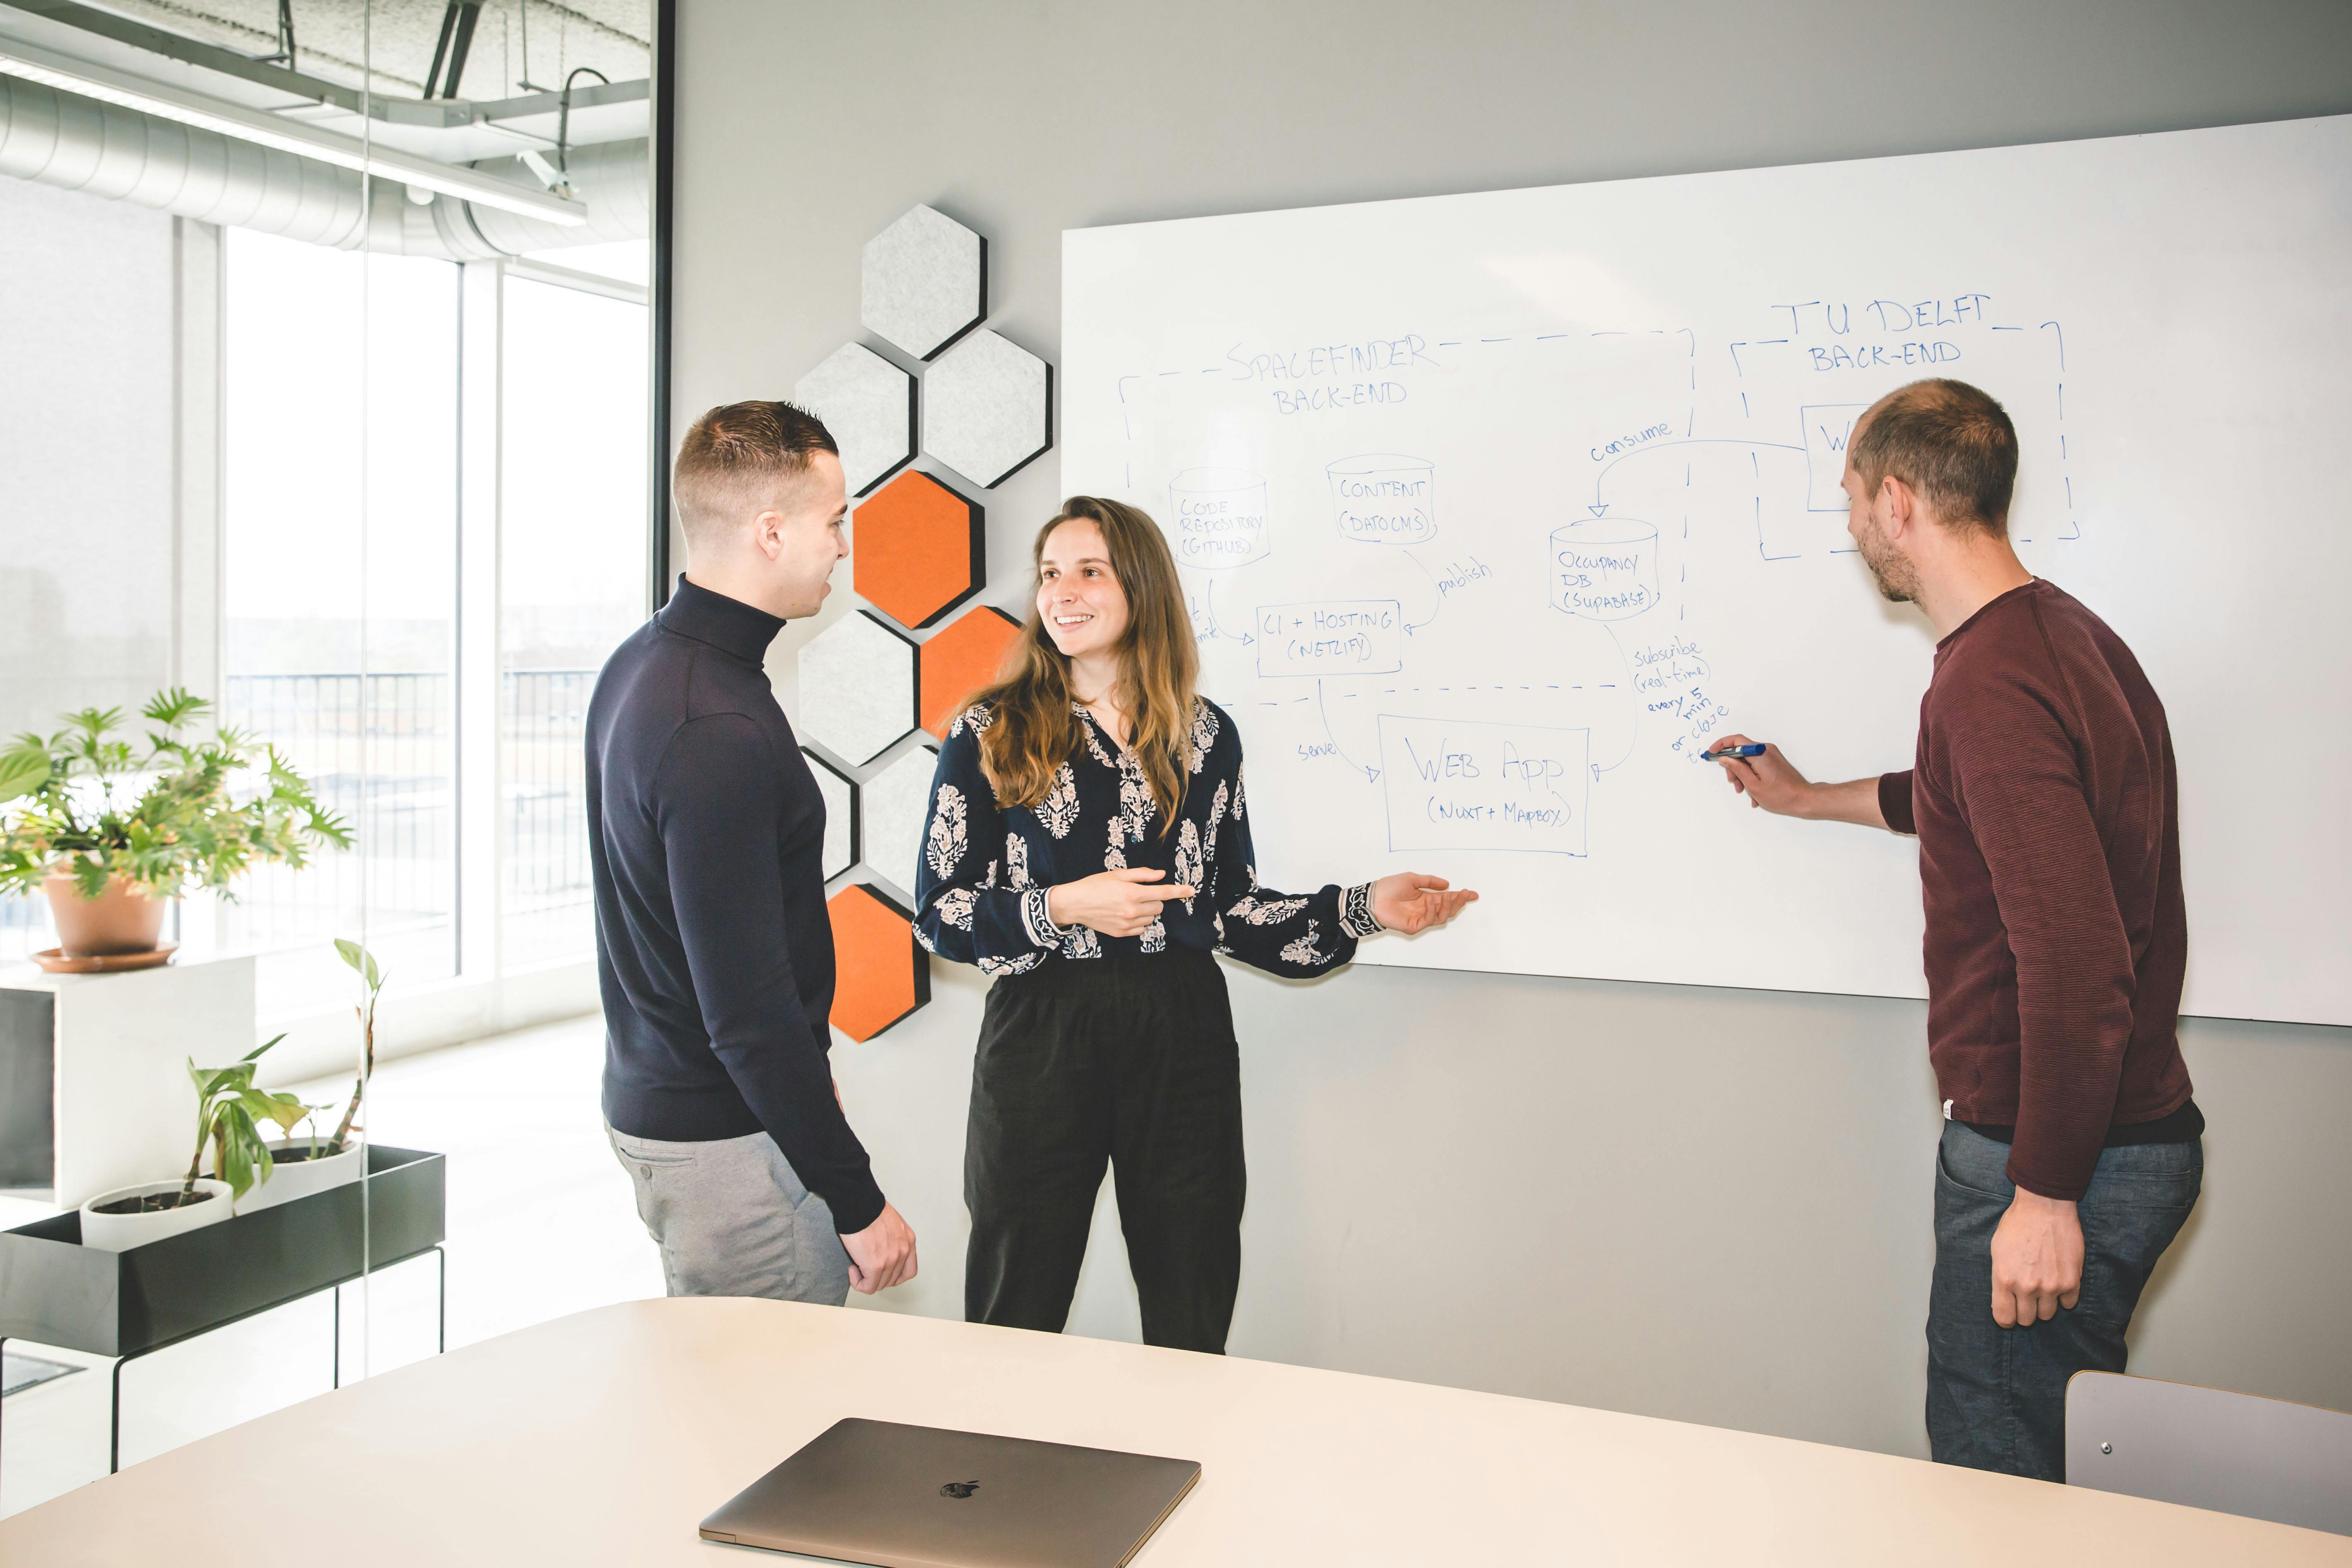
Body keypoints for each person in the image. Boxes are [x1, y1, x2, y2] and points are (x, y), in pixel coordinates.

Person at [1707, 378, 2201, 1482]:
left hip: (2056, 1152)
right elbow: (1963, 800)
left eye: (1846, 499)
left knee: (1998, 1481)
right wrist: (1804, 797)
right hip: (2102, 1138)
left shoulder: (1988, 681)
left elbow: (2075, 971)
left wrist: (2042, 1192)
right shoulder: (2060, 641)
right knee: (2035, 1468)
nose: (1846, 527)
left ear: (1895, 501)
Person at [912, 496, 1477, 1355]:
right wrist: (1065, 905)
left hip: (1181, 1026)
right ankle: (991, 1482)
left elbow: (1231, 908)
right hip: (1041, 1030)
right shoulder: (990, 730)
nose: (1062, 592)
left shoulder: (1206, 736)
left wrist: (1367, 906)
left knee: (1192, 1290)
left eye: (1089, 571)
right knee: (1015, 1301)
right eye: (1050, 573)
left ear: (1140, 586)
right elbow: (941, 915)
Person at [588, 400, 917, 1305]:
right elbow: (746, 1008)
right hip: (728, 1149)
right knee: (777, 1426)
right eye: (834, 520)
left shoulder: (640, 664)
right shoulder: (715, 725)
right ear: (771, 532)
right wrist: (857, 1198)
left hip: (678, 1105)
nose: (843, 545)